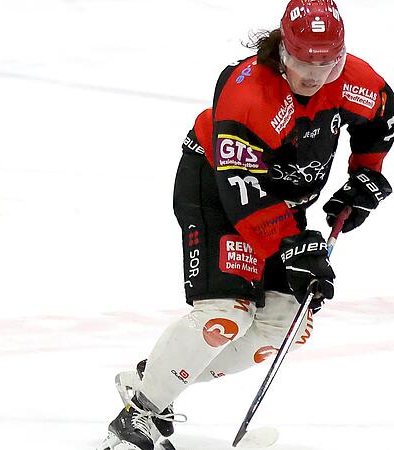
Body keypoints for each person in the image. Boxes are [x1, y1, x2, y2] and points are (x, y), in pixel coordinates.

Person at [98, 1, 393, 449]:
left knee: (284, 325)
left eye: (326, 63)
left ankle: (153, 378)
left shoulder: (356, 80)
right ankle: (138, 415)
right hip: (216, 190)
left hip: (278, 200)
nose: (314, 75)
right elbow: (240, 190)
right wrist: (294, 245)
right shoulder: (249, 93)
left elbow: (382, 119)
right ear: (282, 51)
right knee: (226, 315)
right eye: (301, 62)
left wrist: (365, 175)